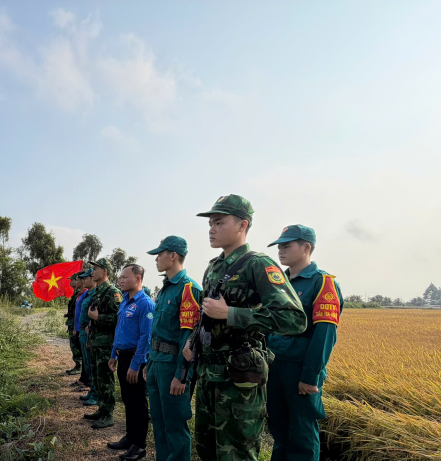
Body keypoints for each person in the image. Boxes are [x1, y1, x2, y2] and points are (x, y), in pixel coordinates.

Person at [187, 195, 306, 461]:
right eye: (210, 224)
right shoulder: (214, 268)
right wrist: (193, 340)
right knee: (207, 449)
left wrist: (231, 314)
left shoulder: (258, 264)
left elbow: (293, 319)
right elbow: (207, 315)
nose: (211, 229)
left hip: (239, 381)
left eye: (218, 222)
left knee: (237, 453)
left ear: (242, 225)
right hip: (209, 375)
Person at [266, 225, 343, 461]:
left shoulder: (322, 283)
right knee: (279, 430)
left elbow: (325, 334)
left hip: (299, 369)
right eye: (279, 246)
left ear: (306, 247)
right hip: (274, 366)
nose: (281, 250)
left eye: (287, 245)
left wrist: (310, 377)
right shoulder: (278, 283)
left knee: (302, 434)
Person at [143, 236, 201, 461]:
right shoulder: (165, 290)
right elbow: (157, 333)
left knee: (175, 426)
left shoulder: (188, 288)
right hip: (157, 364)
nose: (157, 259)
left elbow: (188, 338)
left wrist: (181, 375)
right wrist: (149, 363)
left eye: (160, 254)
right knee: (158, 421)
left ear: (173, 256)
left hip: (173, 367)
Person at [107, 264, 154, 460]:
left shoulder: (145, 304)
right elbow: (120, 330)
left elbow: (146, 337)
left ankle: (140, 445)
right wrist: (113, 354)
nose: (120, 280)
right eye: (120, 277)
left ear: (138, 278)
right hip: (123, 355)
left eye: (125, 277)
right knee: (127, 399)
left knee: (138, 402)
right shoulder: (125, 301)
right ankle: (130, 437)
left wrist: (136, 364)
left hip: (137, 359)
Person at [83, 258, 122, 429]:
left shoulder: (112, 292)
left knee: (106, 380)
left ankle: (109, 414)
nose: (93, 272)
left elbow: (118, 318)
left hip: (106, 345)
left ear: (104, 271)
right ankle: (102, 408)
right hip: (95, 342)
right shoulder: (98, 292)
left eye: (96, 268)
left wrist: (99, 318)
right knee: (98, 379)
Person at [78, 269, 99, 405]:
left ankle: (95, 393)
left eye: (87, 278)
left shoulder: (94, 295)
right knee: (87, 363)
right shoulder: (88, 294)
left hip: (90, 330)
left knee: (93, 365)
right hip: (84, 329)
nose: (84, 280)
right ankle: (92, 390)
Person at [65, 273, 84, 375]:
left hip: (76, 324)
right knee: (74, 345)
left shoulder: (80, 293)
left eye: (74, 280)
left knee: (76, 346)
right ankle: (78, 365)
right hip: (73, 323)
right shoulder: (76, 293)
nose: (72, 282)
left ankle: (79, 365)